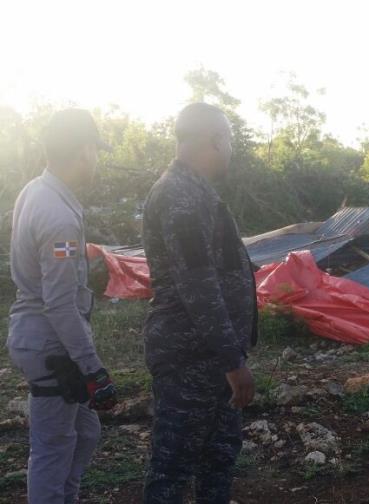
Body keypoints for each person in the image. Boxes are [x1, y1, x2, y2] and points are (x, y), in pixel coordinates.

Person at [142, 103, 257, 503]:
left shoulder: (196, 192)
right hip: (191, 359)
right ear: (216, 140)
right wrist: (233, 361)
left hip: (211, 360)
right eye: (229, 141)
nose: (230, 150)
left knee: (218, 459)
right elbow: (199, 285)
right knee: (172, 470)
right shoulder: (181, 197)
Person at [6, 109, 118, 503]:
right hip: (51, 341)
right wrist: (93, 368)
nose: (97, 160)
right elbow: (59, 304)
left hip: (42, 332)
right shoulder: (59, 218)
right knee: (53, 447)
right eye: (96, 151)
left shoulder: (36, 190)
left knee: (86, 432)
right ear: (85, 152)